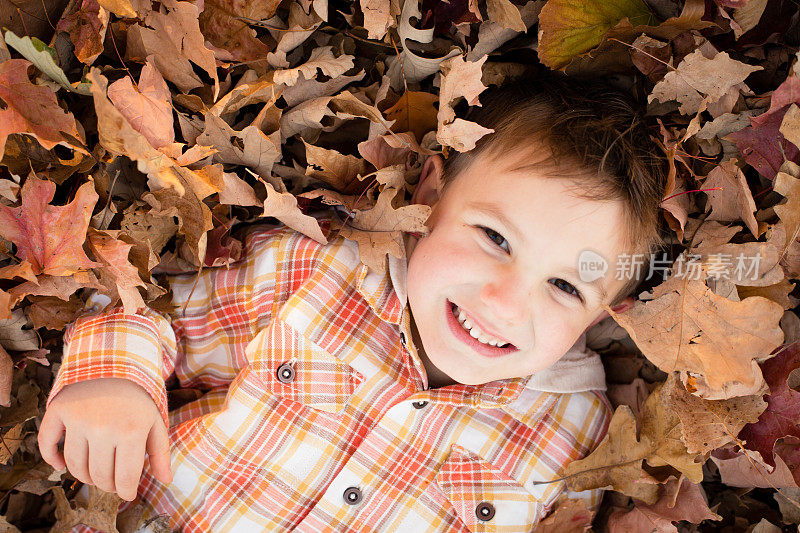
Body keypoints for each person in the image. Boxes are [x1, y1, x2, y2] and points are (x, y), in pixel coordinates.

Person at [38, 71, 668, 532]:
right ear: (429, 197)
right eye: (494, 237)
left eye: (564, 286)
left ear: (607, 310)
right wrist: (114, 380)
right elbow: (154, 307)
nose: (503, 300)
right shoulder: (312, 270)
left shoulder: (578, 436)